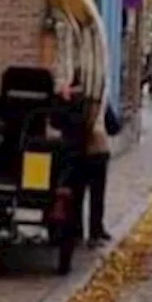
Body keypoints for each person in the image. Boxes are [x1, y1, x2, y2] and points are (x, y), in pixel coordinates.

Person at [53, 82, 122, 248]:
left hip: (76, 152)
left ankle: (77, 231)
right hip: (98, 152)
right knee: (97, 195)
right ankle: (95, 232)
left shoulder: (71, 100)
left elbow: (57, 122)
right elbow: (113, 127)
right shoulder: (100, 103)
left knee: (77, 194)